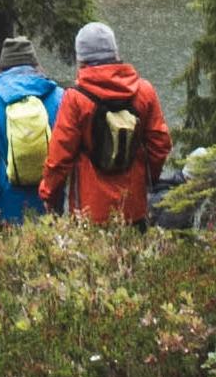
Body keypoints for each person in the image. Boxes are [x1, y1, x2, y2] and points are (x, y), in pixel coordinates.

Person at [51, 18, 172, 229]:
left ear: (81, 59)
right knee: (135, 261)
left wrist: (49, 196)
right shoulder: (144, 91)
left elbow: (59, 158)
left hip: (89, 211)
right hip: (133, 208)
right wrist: (145, 180)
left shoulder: (75, 98)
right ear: (115, 53)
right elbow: (160, 145)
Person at [0, 32, 60, 227]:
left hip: (9, 208)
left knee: (12, 254)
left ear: (3, 67)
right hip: (51, 203)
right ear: (35, 65)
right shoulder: (59, 97)